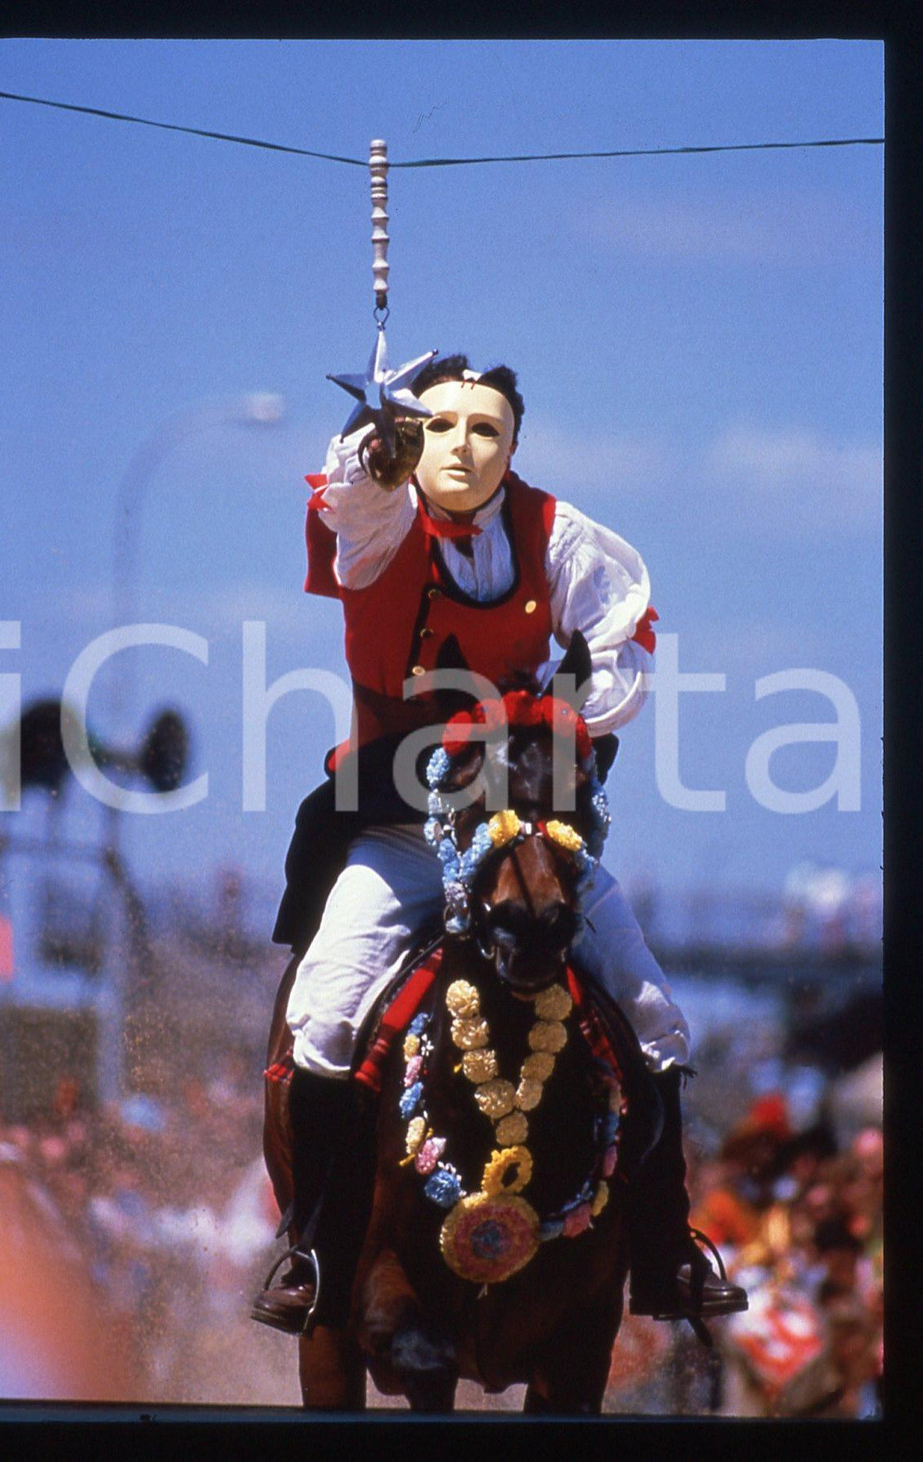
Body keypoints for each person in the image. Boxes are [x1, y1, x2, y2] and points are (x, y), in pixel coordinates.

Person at [253, 354, 747, 1333]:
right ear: (410, 436)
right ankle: (313, 1247)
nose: (462, 446)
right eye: (438, 427)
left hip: (526, 834)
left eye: (486, 430)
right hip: (399, 835)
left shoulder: (558, 536)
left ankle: (665, 1250)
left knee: (657, 1018)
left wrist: (542, 725)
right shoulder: (383, 519)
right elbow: (356, 502)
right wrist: (374, 453)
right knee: (324, 1018)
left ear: (514, 445)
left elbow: (617, 661)